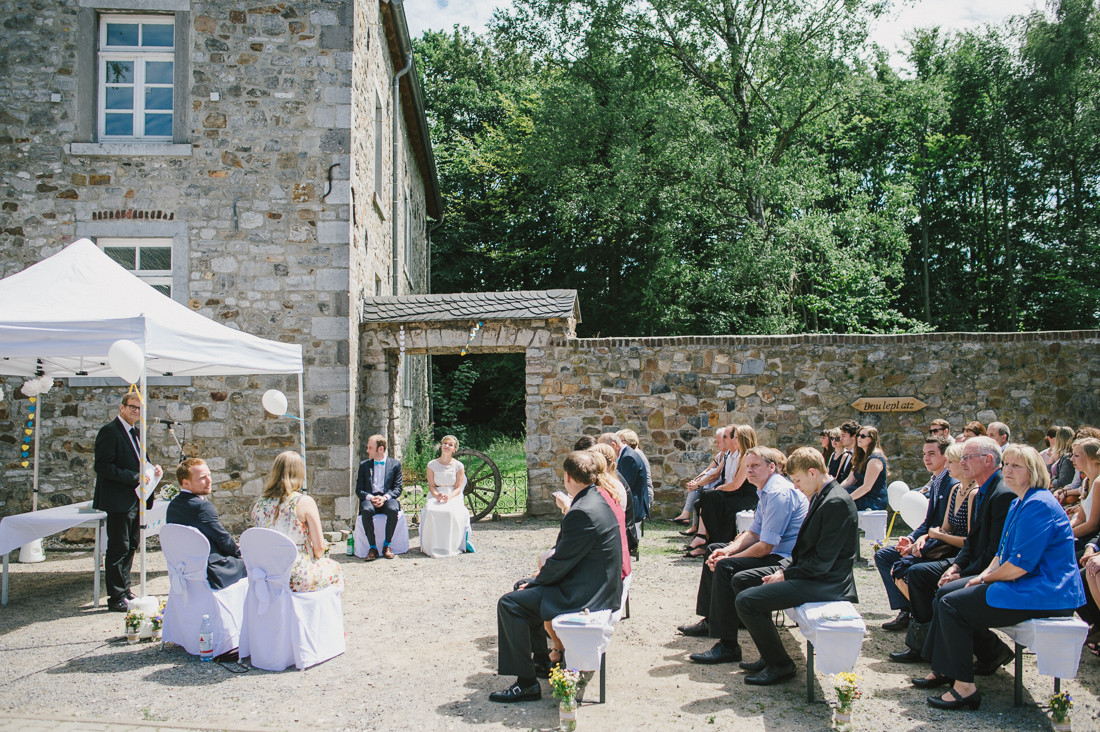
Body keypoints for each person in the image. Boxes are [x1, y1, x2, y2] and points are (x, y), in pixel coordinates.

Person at [914, 444, 1084, 711]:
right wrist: (980, 575)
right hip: (1025, 583)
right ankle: (945, 668)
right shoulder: (1020, 500)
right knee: (946, 593)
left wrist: (983, 581)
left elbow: (1019, 565)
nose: (1008, 470)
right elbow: (1001, 553)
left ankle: (965, 689)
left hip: (1047, 592)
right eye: (1006, 465)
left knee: (952, 604)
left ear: (1034, 471)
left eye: (1017, 466)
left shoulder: (1038, 504)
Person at [490, 451, 622, 703]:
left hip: (586, 594)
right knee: (523, 590)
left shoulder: (581, 511)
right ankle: (540, 663)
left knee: (510, 603)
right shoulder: (596, 498)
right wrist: (534, 581)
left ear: (568, 476)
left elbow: (561, 561)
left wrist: (536, 581)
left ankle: (526, 684)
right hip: (596, 583)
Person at [729, 447, 858, 685]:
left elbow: (822, 562)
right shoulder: (822, 494)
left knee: (746, 602)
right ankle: (769, 656)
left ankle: (781, 665)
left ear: (812, 472)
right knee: (741, 580)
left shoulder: (836, 501)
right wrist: (783, 569)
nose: (796, 486)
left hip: (827, 582)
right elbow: (805, 549)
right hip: (814, 574)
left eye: (797, 480)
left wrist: (786, 574)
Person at [889, 436, 1015, 665]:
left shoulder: (999, 493)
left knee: (940, 591)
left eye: (967, 458)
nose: (960, 463)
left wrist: (963, 571)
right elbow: (972, 541)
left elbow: (992, 550)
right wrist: (956, 566)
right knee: (914, 572)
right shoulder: (981, 489)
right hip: (967, 560)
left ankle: (951, 657)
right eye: (962, 458)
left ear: (987, 460)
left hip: (986, 567)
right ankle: (925, 646)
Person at [678, 447, 808, 664]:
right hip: (773, 551)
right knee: (714, 549)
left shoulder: (777, 493)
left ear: (772, 467)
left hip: (784, 560)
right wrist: (727, 550)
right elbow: (753, 532)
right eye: (747, 466)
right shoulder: (765, 489)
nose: (750, 471)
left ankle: (728, 645)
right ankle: (711, 618)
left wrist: (728, 559)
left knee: (725, 567)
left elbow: (765, 546)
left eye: (755, 466)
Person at [875, 435, 957, 631]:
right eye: (923, 454)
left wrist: (917, 545)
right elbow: (927, 521)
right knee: (883, 555)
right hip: (927, 540)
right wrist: (910, 538)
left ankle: (917, 614)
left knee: (900, 564)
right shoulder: (936, 481)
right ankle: (906, 610)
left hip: (943, 548)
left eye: (931, 454)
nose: (926, 459)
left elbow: (946, 528)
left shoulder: (951, 484)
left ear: (946, 456)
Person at [93, 392, 163, 611]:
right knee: (118, 547)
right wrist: (135, 478)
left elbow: (140, 463)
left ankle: (125, 590)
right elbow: (102, 466)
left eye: (139, 408)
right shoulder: (110, 431)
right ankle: (115, 597)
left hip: (135, 499)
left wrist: (154, 470)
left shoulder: (136, 432)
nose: (135, 411)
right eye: (131, 407)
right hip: (118, 499)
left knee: (131, 544)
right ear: (121, 408)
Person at [889, 442, 974, 615]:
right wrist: (920, 538)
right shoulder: (955, 489)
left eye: (951, 461)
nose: (947, 465)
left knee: (911, 570)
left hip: (957, 553)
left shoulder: (970, 492)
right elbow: (939, 527)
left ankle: (924, 618)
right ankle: (912, 613)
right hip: (941, 543)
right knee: (896, 564)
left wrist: (933, 536)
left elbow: (968, 540)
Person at [251, 451, 344, 591]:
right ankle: (318, 612)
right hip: (295, 575)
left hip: (267, 573)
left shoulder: (260, 503)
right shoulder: (304, 502)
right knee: (336, 568)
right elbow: (319, 549)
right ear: (300, 473)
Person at [165, 458, 247, 589]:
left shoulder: (173, 506)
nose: (209, 481)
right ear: (186, 483)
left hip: (185, 568)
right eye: (202, 478)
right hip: (212, 571)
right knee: (255, 564)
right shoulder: (202, 507)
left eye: (209, 475)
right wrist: (240, 553)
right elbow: (222, 538)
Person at [688, 425, 759, 556]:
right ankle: (705, 540)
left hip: (747, 498)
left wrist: (719, 488)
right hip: (739, 494)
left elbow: (736, 484)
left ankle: (708, 540)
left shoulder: (748, 456)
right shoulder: (740, 455)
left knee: (710, 497)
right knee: (708, 498)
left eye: (736, 438)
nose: (734, 440)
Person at [419, 435, 471, 558]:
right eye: (445, 443)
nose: (447, 446)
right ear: (441, 445)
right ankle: (432, 545)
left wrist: (449, 496)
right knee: (431, 510)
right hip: (436, 494)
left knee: (450, 512)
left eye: (450, 445)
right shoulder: (431, 465)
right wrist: (437, 495)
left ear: (455, 449)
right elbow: (431, 486)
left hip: (453, 494)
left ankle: (450, 545)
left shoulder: (459, 466)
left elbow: (458, 487)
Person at [355, 433, 403, 560]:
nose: (367, 450)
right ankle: (372, 548)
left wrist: (385, 497)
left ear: (380, 449)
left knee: (393, 509)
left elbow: (398, 488)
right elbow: (359, 489)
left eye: (370, 448)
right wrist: (371, 497)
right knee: (366, 510)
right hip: (370, 498)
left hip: (387, 498)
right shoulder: (364, 465)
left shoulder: (395, 464)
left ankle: (387, 545)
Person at [838, 425, 888, 510]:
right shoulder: (860, 457)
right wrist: (835, 492)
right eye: (858, 435)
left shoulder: (875, 459)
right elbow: (849, 480)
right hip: (861, 495)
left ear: (872, 439)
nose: (859, 438)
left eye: (863, 436)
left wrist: (847, 500)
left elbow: (866, 487)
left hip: (872, 500)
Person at [1069, 438, 1100, 555]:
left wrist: (1065, 535)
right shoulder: (1086, 481)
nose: (1072, 459)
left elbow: (1093, 525)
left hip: (1092, 539)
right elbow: (1081, 518)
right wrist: (1066, 527)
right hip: (1083, 535)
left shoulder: (1098, 482)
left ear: (1091, 458)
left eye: (1076, 455)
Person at [1048, 425, 1078, 492]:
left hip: (1061, 491)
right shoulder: (1061, 456)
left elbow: (1063, 481)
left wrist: (1049, 484)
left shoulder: (1067, 458)